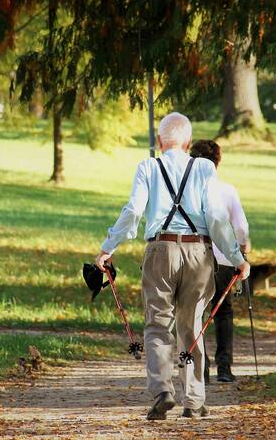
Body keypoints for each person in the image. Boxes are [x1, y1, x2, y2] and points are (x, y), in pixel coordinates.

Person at [95, 112, 250, 421]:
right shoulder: (204, 168)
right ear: (189, 142)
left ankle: (162, 390)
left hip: (160, 250)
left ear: (159, 141)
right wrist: (237, 258)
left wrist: (107, 248)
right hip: (198, 252)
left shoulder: (148, 167)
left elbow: (133, 211)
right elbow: (217, 220)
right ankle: (194, 400)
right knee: (192, 325)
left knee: (156, 324)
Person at [190, 139, 250, 384]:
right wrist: (243, 247)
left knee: (197, 312)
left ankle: (200, 369)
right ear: (218, 162)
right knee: (223, 312)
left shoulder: (189, 192)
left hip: (196, 258)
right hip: (225, 259)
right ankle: (224, 367)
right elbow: (241, 227)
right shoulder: (227, 190)